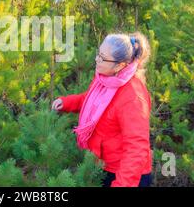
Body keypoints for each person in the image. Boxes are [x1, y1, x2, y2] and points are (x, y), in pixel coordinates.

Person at [51, 32, 153, 187]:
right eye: (98, 54)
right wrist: (66, 103)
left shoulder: (133, 97)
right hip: (102, 164)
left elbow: (136, 148)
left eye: (103, 58)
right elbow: (92, 100)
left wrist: (122, 184)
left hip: (126, 175)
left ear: (120, 65)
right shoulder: (105, 78)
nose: (96, 60)